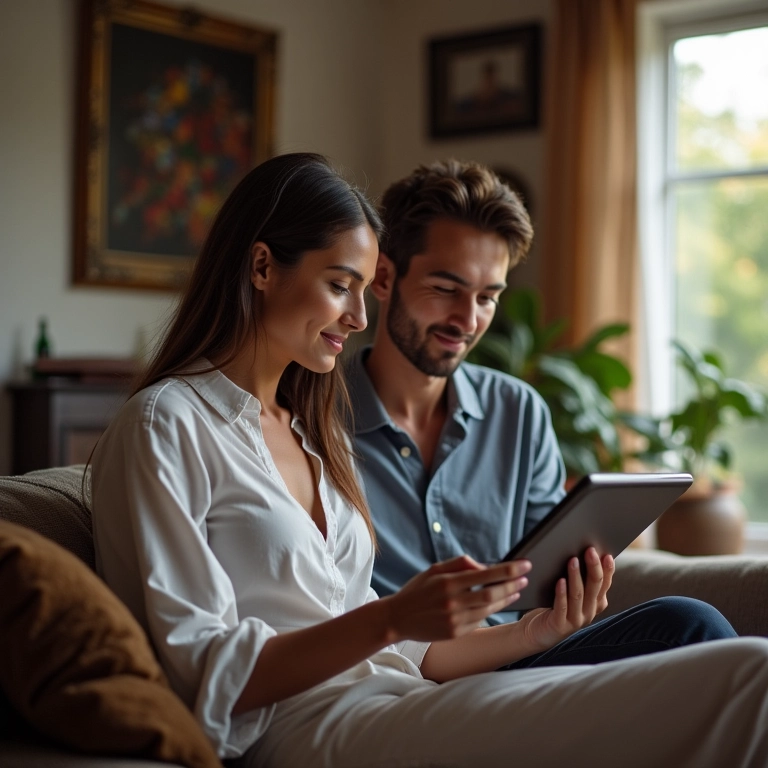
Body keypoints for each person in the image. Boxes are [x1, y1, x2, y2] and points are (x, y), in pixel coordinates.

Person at [91, 152, 768, 768]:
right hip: (311, 727)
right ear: (263, 267)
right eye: (340, 285)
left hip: (399, 694)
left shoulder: (306, 434)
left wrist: (538, 629)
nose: (359, 316)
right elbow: (205, 672)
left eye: (362, 288)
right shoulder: (167, 424)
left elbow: (405, 649)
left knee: (725, 649)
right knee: (749, 676)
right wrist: (391, 617)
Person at [345, 158, 737, 667]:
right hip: (405, 670)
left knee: (691, 628)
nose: (468, 320)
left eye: (487, 297)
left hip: (519, 657)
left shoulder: (518, 409)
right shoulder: (315, 415)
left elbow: (543, 579)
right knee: (689, 624)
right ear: (383, 276)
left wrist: (576, 587)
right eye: (446, 289)